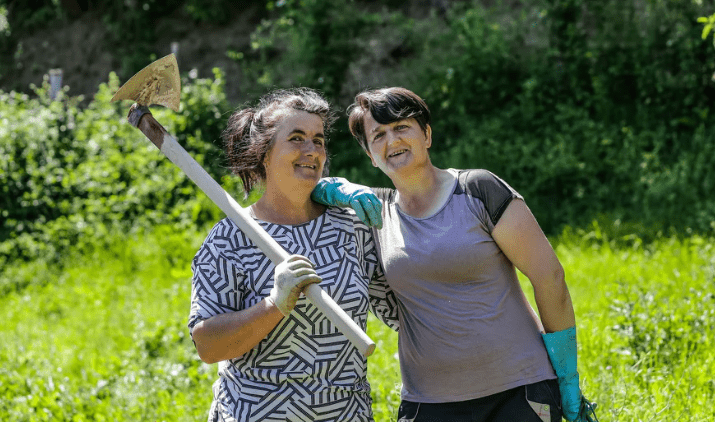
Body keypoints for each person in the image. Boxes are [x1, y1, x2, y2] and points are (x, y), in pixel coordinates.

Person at [311, 87, 598, 422]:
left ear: (427, 134)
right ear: (370, 155)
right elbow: (300, 186)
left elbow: (550, 278)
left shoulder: (478, 190)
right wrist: (334, 186)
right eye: (378, 135)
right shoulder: (372, 212)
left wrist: (567, 378)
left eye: (402, 127)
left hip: (520, 391)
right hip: (429, 401)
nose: (392, 141)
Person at [188, 88, 390, 422]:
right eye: (296, 138)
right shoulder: (229, 240)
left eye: (319, 140)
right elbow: (208, 347)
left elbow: (402, 305)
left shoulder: (352, 226)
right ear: (264, 153)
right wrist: (274, 305)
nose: (312, 150)